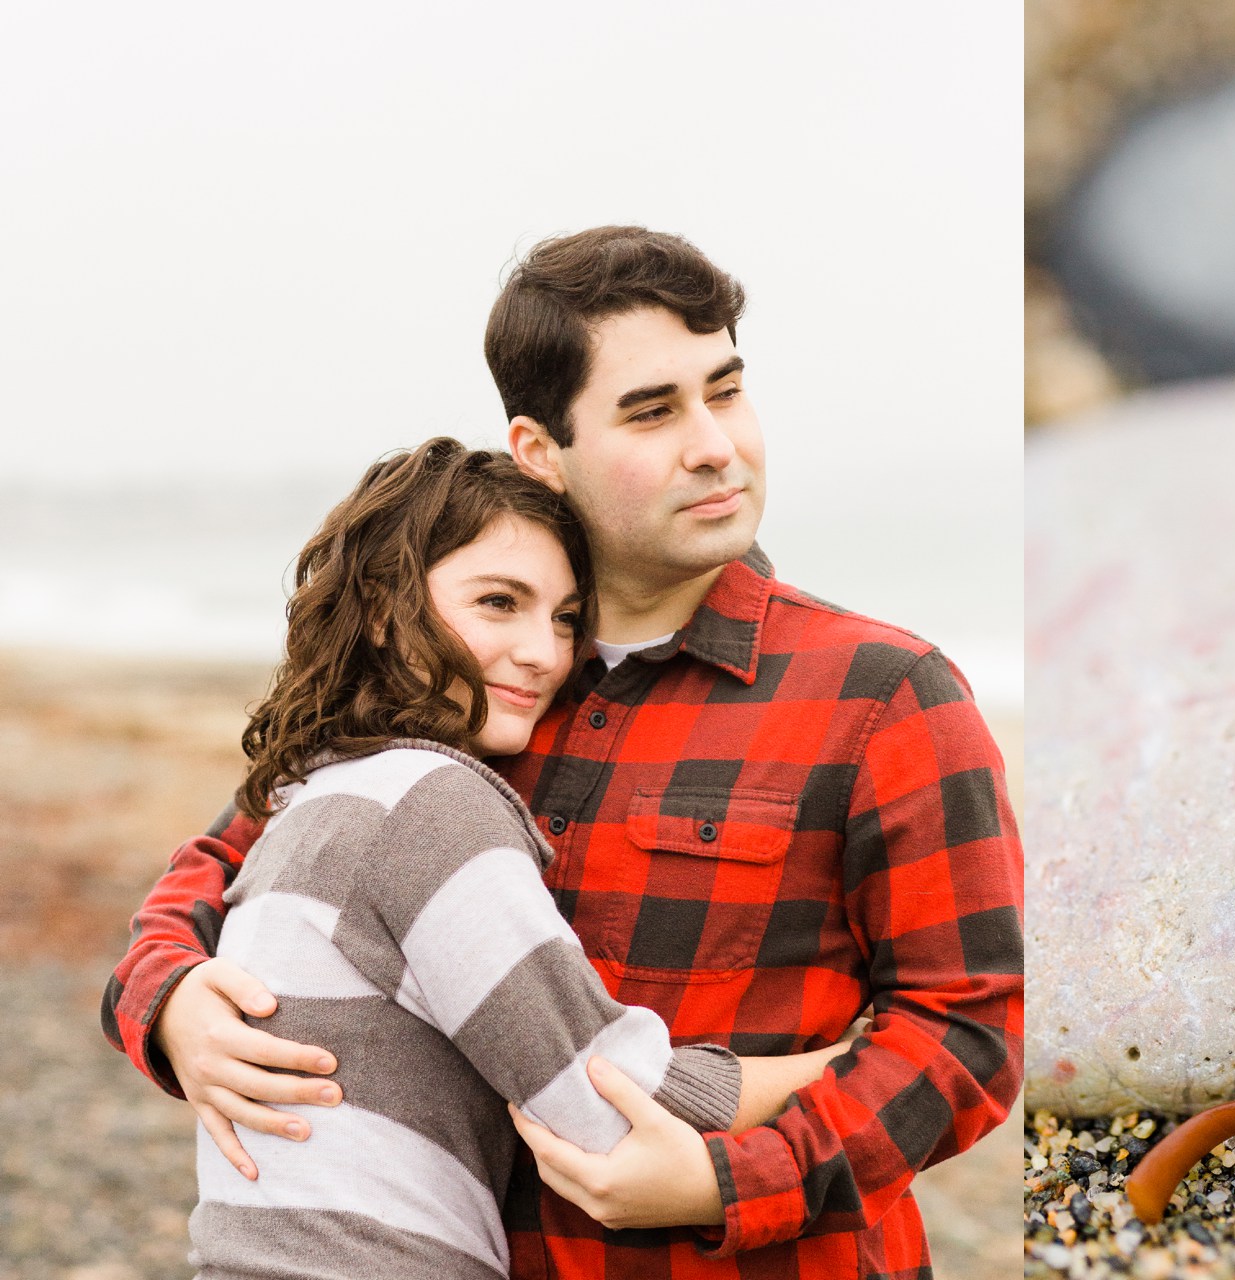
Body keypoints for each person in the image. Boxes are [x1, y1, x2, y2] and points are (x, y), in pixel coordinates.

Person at [104, 226, 1024, 1279]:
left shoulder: (885, 696)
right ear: (540, 450)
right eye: (652, 411)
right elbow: (230, 861)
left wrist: (737, 1180)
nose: (715, 444)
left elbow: (971, 1029)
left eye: (724, 391)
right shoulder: (471, 684)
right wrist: (168, 1003)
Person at [184, 439, 850, 1275]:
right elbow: (603, 1098)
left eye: (566, 617)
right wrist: (845, 1061)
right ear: (385, 608)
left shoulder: (313, 789)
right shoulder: (430, 806)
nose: (545, 652)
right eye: (500, 602)